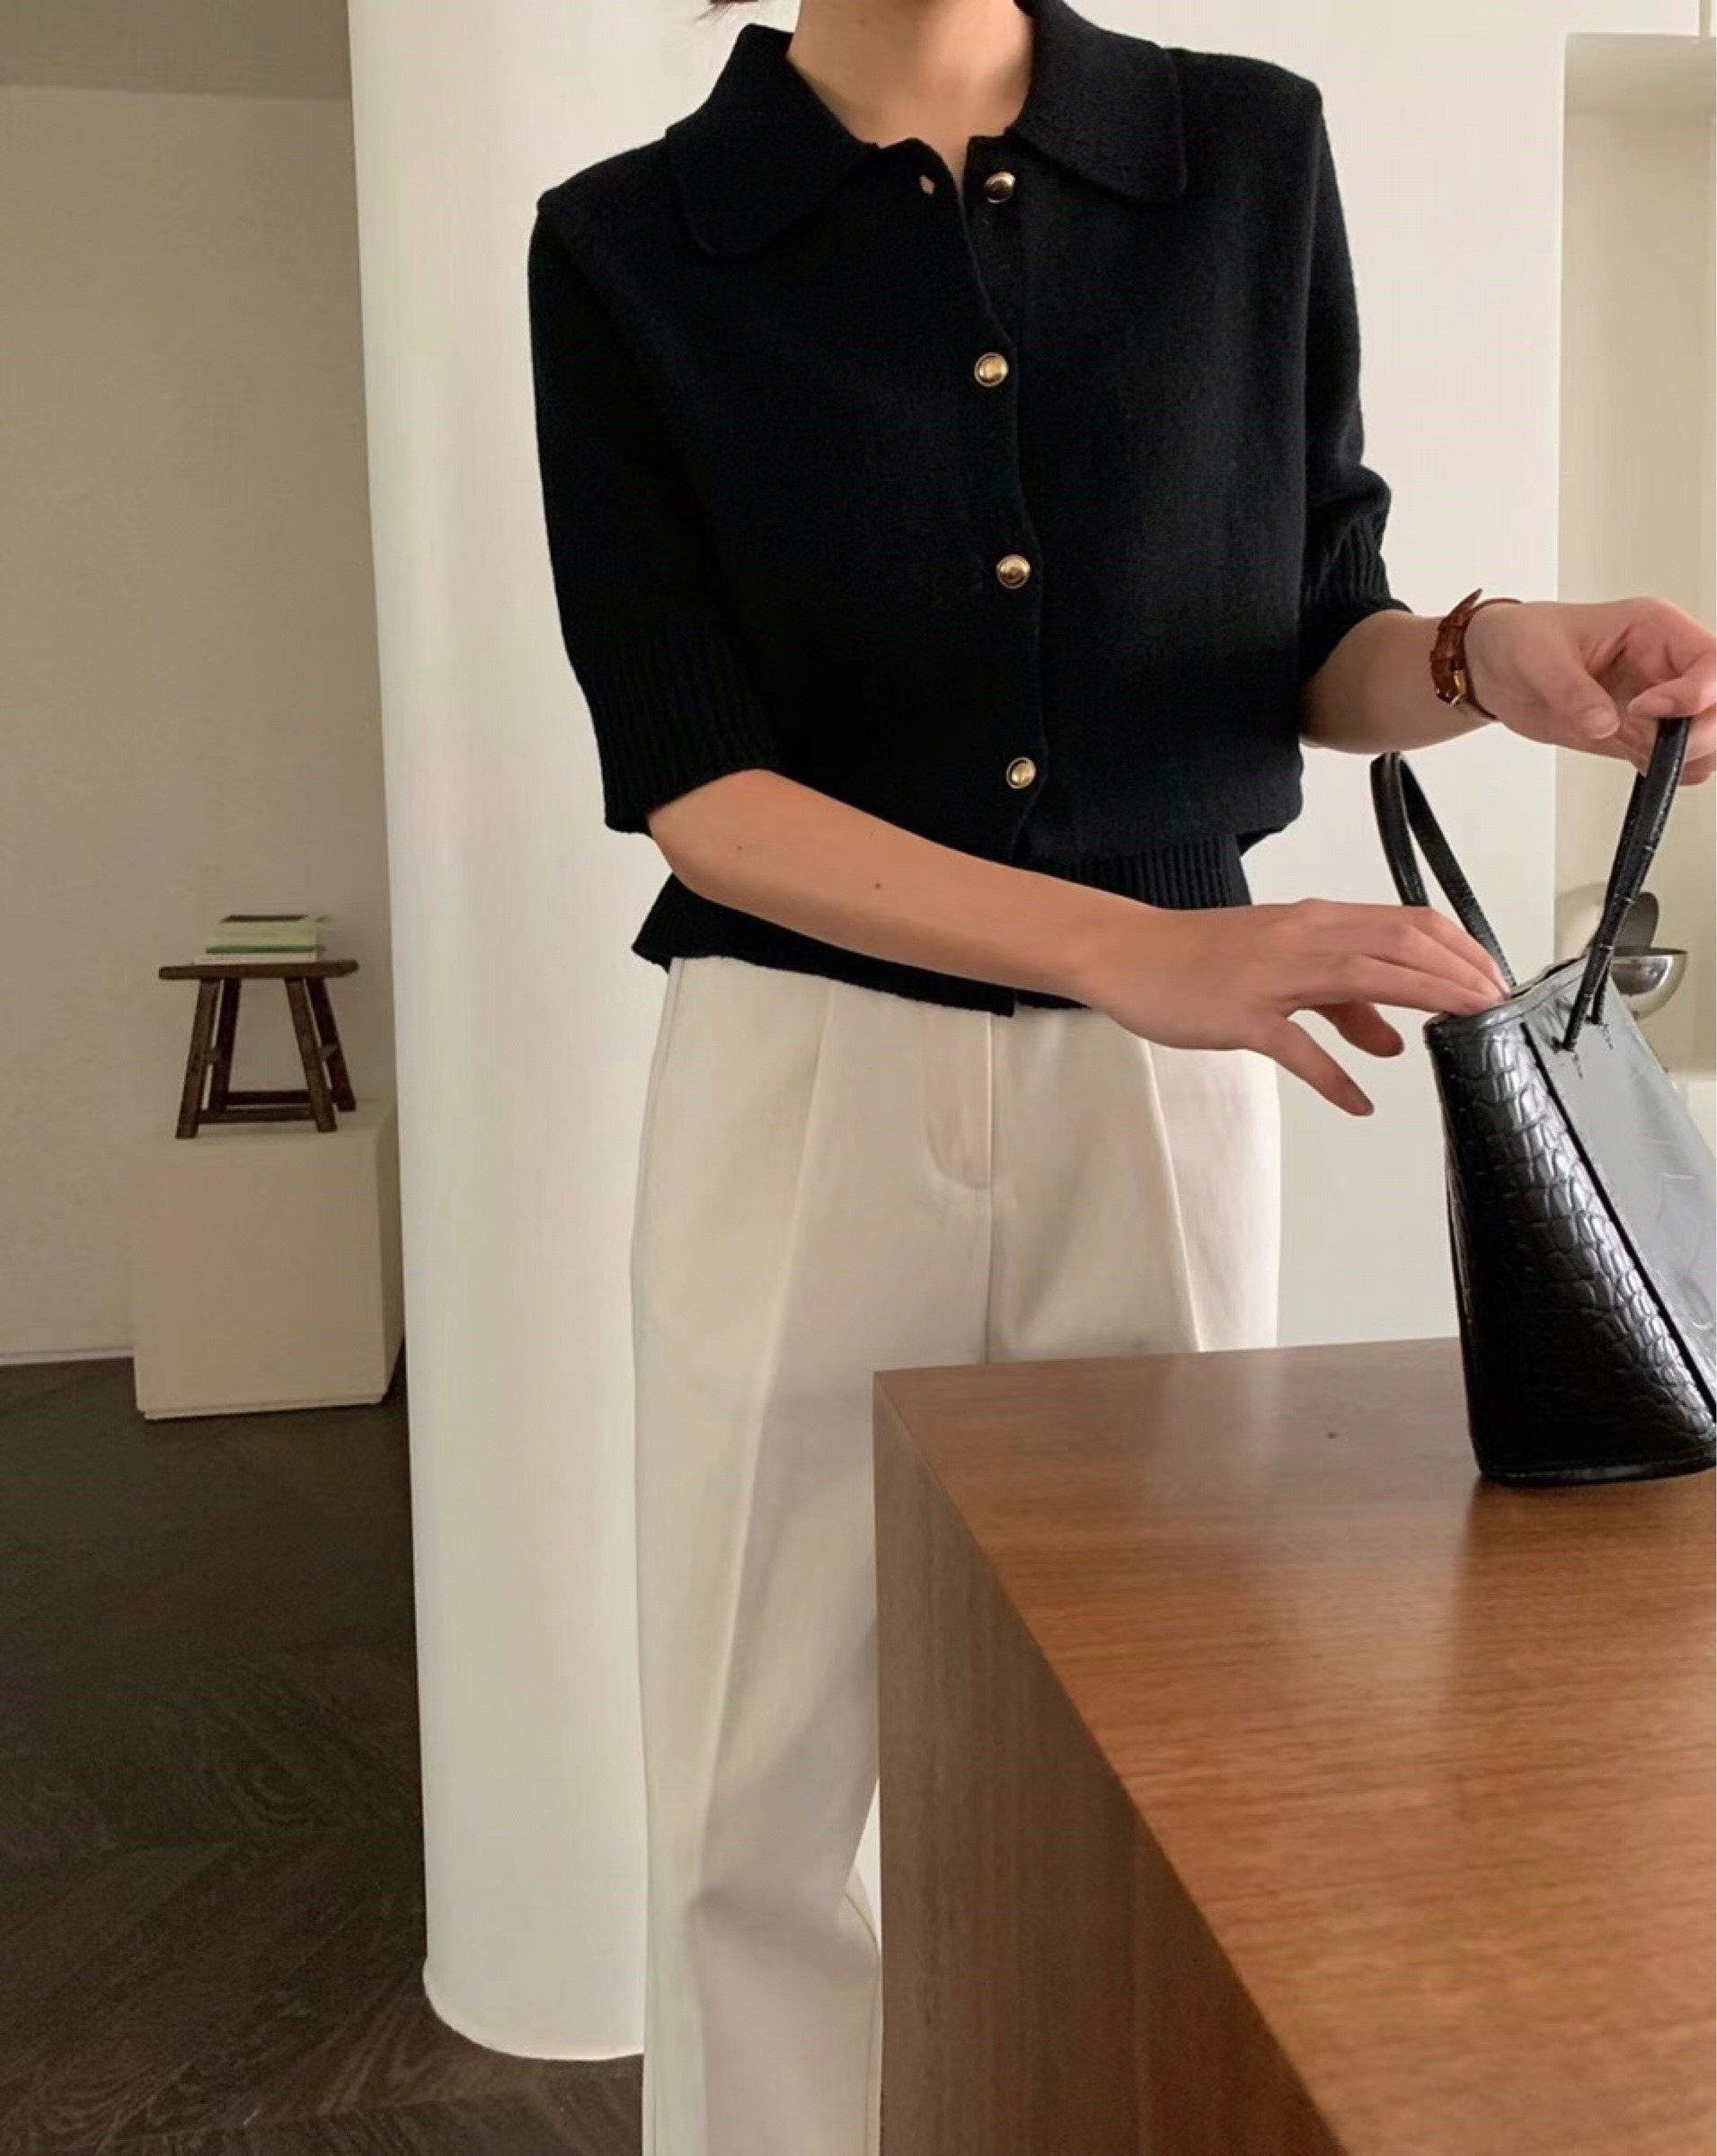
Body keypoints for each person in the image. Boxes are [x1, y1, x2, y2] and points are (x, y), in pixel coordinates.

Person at [525, 3, 1716, 2150]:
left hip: (1165, 1091)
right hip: (800, 1077)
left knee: (1151, 1759)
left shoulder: (1236, 155)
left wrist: (1479, 656)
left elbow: (1310, 628)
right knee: (747, 1796)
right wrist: (1127, 945)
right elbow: (697, 786)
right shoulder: (630, 240)